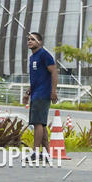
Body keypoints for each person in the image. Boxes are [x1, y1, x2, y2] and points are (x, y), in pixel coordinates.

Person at [23, 31, 58, 159]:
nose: (29, 41)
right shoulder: (33, 57)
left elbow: (54, 72)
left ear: (40, 42)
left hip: (43, 94)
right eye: (28, 39)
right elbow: (35, 79)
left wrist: (53, 91)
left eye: (33, 39)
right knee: (41, 124)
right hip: (35, 94)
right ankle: (47, 153)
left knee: (38, 123)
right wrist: (28, 93)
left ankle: (35, 153)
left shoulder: (44, 54)